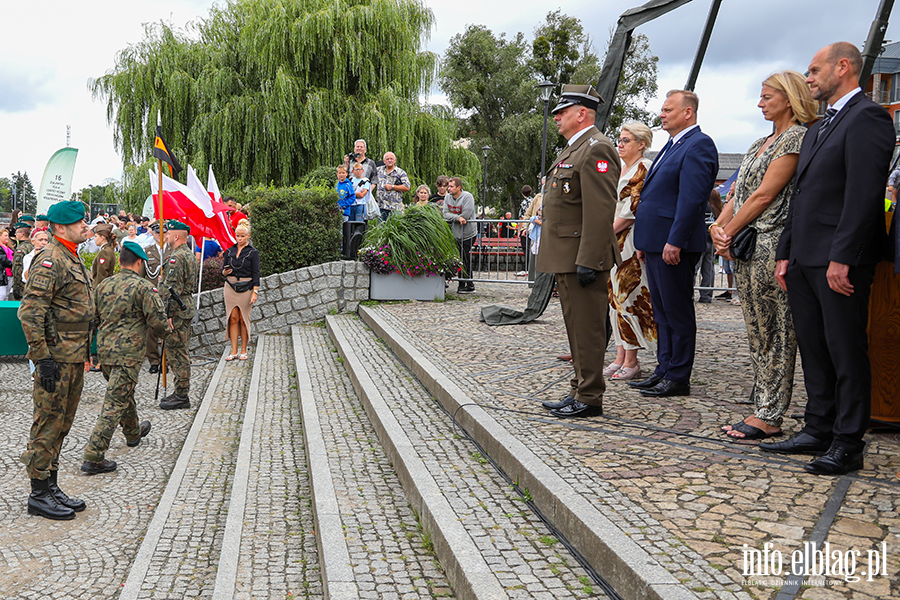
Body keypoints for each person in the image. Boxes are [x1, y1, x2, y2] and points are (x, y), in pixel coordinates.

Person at [761, 43, 895, 475]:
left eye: (814, 69)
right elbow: (799, 197)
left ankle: (847, 442)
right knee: (815, 349)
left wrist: (844, 257)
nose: (809, 77)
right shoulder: (818, 127)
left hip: (839, 261)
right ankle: (817, 427)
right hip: (802, 259)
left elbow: (863, 196)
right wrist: (785, 255)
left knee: (845, 350)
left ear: (843, 67)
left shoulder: (869, 117)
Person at [710, 70, 815, 441]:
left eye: (767, 97)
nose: (760, 103)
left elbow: (764, 196)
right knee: (756, 329)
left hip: (771, 244)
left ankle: (771, 412)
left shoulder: (796, 138)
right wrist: (717, 227)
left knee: (777, 330)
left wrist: (730, 230)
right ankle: (763, 402)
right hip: (746, 246)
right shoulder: (759, 142)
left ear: (788, 98)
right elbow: (737, 192)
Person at [536, 84, 620, 419]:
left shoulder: (597, 149)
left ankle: (589, 396)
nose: (556, 117)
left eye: (562, 111)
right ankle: (579, 388)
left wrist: (589, 258)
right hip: (567, 255)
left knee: (587, 328)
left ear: (581, 113)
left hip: (582, 257)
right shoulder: (576, 148)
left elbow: (600, 212)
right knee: (576, 327)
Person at [630, 90, 718, 398]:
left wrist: (674, 240)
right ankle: (663, 369)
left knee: (677, 311)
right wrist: (646, 239)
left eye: (668, 109)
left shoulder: (699, 145)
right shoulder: (673, 145)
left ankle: (679, 375)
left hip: (673, 244)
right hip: (656, 242)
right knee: (663, 311)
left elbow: (692, 198)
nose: (661, 114)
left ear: (688, 113)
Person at [17, 201, 94, 520]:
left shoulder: (71, 255)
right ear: (60, 228)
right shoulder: (50, 259)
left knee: (62, 424)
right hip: (56, 356)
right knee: (47, 422)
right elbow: (30, 312)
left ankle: (51, 484)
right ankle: (38, 493)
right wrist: (42, 358)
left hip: (73, 354)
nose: (84, 227)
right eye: (79, 223)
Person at [81, 241, 169, 474]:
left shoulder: (103, 286)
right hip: (128, 355)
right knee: (114, 403)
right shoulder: (144, 288)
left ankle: (133, 433)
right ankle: (94, 454)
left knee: (122, 393)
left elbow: (92, 320)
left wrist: (89, 352)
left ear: (120, 261)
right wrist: (166, 331)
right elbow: (158, 323)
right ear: (139, 263)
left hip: (106, 352)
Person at [605, 121, 658, 382]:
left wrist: (603, 234)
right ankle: (619, 356)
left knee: (628, 297)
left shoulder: (643, 168)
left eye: (626, 140)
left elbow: (630, 212)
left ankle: (632, 360)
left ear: (642, 144)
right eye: (620, 138)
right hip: (613, 240)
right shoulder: (619, 168)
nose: (621, 143)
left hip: (628, 240)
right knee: (615, 300)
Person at [158, 220, 198, 410]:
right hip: (184, 307)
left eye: (168, 234)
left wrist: (168, 316)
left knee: (177, 353)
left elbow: (172, 290)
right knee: (180, 351)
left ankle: (182, 395)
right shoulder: (187, 254)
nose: (165, 237)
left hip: (177, 310)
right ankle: (180, 391)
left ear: (176, 236)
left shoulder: (177, 258)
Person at [221, 219, 260, 360]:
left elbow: (256, 273)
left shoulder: (253, 252)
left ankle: (244, 349)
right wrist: (224, 272)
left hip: (247, 287)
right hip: (230, 286)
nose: (240, 238)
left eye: (242, 236)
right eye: (238, 236)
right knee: (232, 318)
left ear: (248, 236)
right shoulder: (229, 251)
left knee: (244, 319)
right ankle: (233, 350)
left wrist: (255, 291)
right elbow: (223, 270)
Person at [443, 177, 477, 294]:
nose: (449, 188)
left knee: (464, 257)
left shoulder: (467, 197)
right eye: (449, 186)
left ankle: (465, 283)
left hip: (468, 233)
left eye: (451, 186)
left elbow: (466, 214)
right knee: (460, 258)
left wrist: (460, 217)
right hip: (455, 233)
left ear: (459, 187)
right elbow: (445, 213)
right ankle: (467, 283)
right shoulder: (448, 197)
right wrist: (457, 217)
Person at [142, 222, 168, 374]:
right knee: (151, 329)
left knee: (168, 328)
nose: (160, 235)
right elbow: (142, 276)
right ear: (153, 234)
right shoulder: (147, 251)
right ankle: (154, 360)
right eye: (158, 233)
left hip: (169, 296)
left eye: (163, 232)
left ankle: (168, 359)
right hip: (152, 295)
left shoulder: (173, 250)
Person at [695, 188, 724, 303]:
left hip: (701, 240)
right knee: (709, 269)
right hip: (712, 241)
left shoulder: (704, 207)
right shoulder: (718, 210)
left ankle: (690, 293)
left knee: (695, 268)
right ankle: (706, 295)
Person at [375, 152, 411, 221]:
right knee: (381, 229)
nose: (389, 160)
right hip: (381, 206)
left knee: (395, 229)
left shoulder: (400, 172)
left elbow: (407, 187)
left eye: (391, 159)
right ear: (384, 161)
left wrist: (393, 187)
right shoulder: (378, 170)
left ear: (395, 160)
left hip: (395, 207)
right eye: (387, 159)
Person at [11, 221, 33, 300]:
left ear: (22, 234)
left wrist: (16, 287)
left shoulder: (21, 249)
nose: (15, 234)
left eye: (16, 232)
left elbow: (18, 269)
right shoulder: (32, 246)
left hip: (22, 286)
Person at [0, 228, 13, 301]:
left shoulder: (8, 247)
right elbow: (3, 260)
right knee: (2, 295)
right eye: (5, 235)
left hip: (10, 274)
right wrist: (14, 265)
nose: (7, 237)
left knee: (6, 295)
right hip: (3, 274)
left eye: (8, 236)